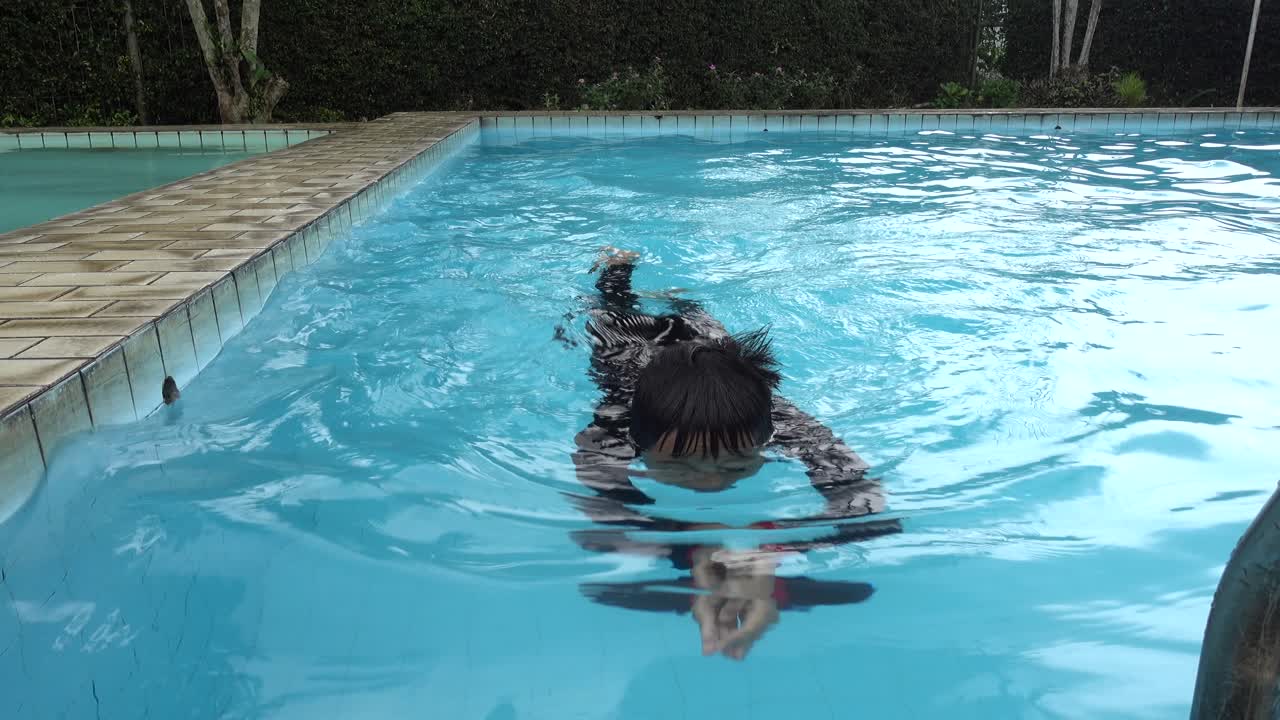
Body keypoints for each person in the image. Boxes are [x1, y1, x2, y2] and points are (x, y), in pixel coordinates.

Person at [564, 246, 900, 660]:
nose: (711, 480)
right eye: (681, 464)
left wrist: (773, 546)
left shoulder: (784, 422)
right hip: (626, 346)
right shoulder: (614, 426)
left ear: (766, 437)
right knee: (613, 307)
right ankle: (616, 268)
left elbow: (864, 500)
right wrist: (686, 545)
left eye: (736, 463)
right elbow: (604, 506)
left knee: (701, 324)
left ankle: (681, 303)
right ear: (640, 440)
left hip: (711, 352)